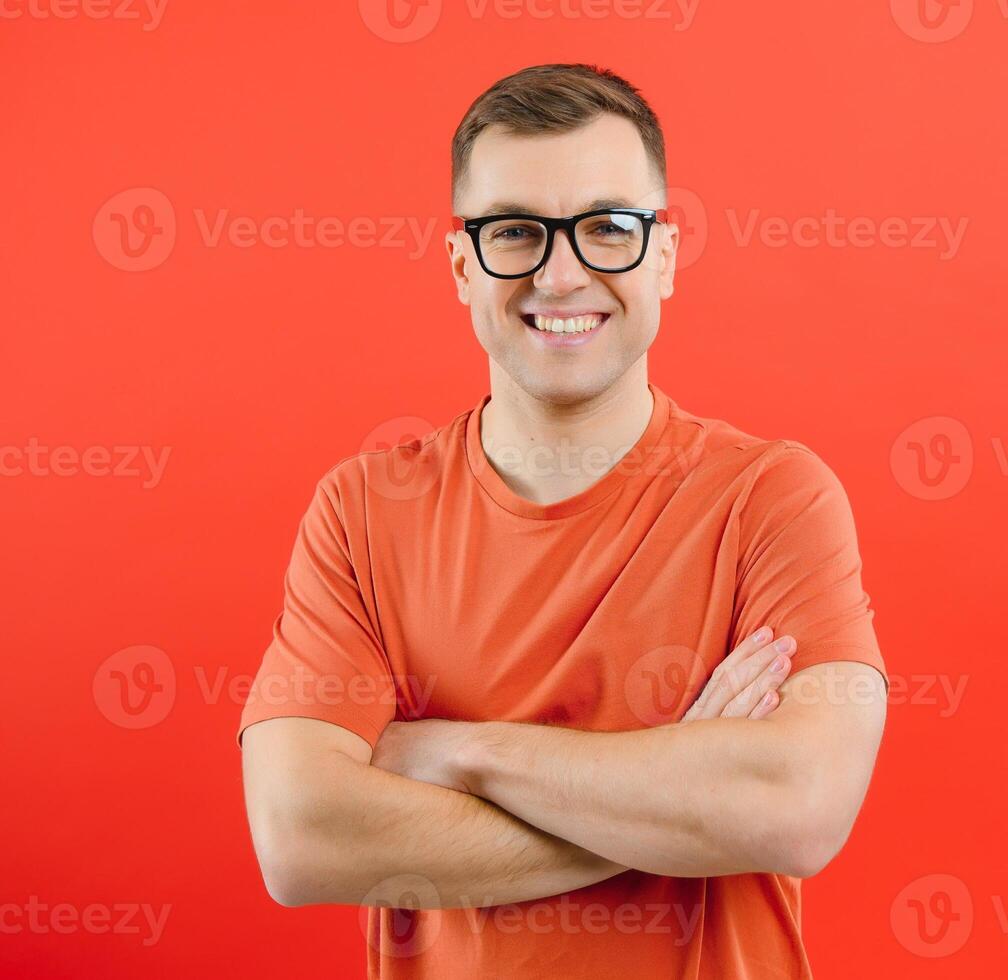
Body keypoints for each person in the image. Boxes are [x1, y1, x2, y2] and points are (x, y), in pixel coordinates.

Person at [238, 63, 887, 979]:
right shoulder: (360, 511)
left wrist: (458, 751)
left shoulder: (772, 498)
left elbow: (798, 809)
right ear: (463, 264)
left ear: (664, 253)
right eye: (514, 231)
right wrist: (678, 796)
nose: (561, 271)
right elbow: (300, 837)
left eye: (608, 228)